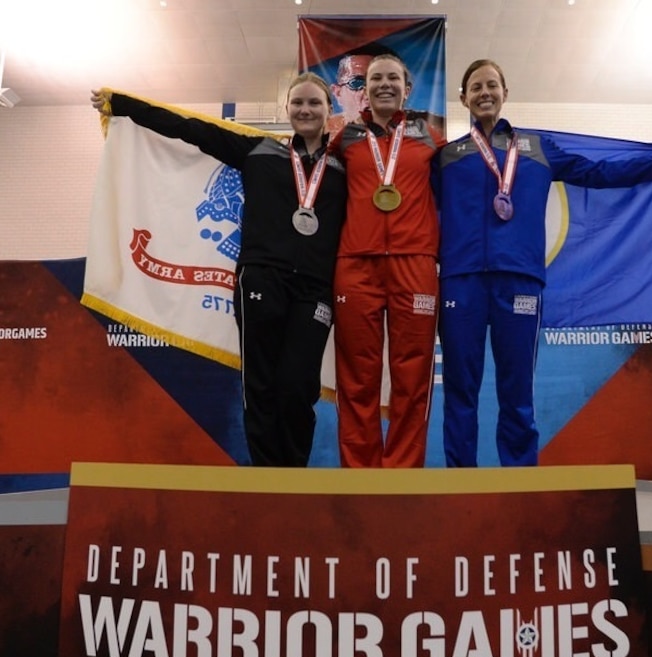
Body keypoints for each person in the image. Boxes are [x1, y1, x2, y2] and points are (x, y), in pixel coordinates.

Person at [436, 59, 652, 468]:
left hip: (519, 282)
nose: (484, 93)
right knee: (460, 388)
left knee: (517, 388)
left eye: (492, 85)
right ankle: (460, 483)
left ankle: (521, 483)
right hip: (461, 280)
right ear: (463, 98)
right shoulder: (447, 156)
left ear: (506, 93)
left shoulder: (538, 148)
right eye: (475, 87)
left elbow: (599, 172)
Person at [90, 73, 347, 467]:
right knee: (259, 383)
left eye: (315, 103)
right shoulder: (258, 151)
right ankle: (267, 476)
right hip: (260, 279)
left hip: (315, 288)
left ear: (330, 111)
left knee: (298, 384)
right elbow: (189, 129)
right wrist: (123, 106)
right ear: (287, 110)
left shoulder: (346, 166)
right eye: (298, 103)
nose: (305, 110)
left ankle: (294, 474)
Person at [329, 53, 446, 468]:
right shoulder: (343, 138)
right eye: (375, 78)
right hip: (355, 265)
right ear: (364, 88)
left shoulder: (432, 135)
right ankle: (360, 476)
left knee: (411, 376)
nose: (383, 84)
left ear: (406, 88)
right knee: (357, 375)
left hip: (414, 264)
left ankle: (402, 475)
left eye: (392, 78)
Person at [327, 43, 446, 137]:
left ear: (406, 91)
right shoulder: (325, 133)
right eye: (357, 83)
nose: (369, 92)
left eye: (390, 81)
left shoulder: (433, 129)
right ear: (337, 93)